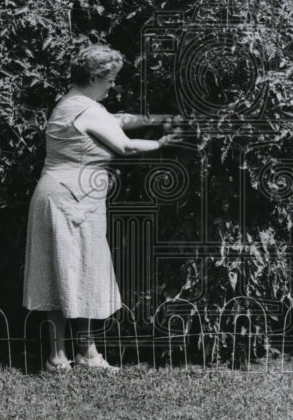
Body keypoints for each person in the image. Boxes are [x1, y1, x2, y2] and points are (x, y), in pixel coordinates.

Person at [22, 44, 181, 371]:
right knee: (63, 273)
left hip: (71, 197)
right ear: (94, 77)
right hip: (68, 200)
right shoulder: (85, 109)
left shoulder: (74, 103)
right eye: (109, 79)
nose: (112, 85)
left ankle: (84, 353)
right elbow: (124, 144)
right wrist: (165, 143)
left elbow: (118, 119)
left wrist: (160, 117)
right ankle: (60, 357)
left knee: (80, 273)